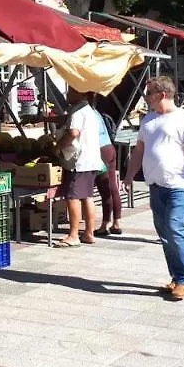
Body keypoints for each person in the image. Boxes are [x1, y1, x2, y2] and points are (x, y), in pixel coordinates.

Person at [121, 77, 184, 301]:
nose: (146, 98)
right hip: (155, 186)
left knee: (174, 227)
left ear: (162, 94)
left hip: (180, 185)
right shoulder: (148, 120)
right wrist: (129, 176)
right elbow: (138, 151)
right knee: (165, 233)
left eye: (149, 93)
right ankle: (176, 277)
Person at [54, 87, 103, 247]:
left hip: (78, 162)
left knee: (72, 196)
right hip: (91, 159)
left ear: (82, 93)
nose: (67, 95)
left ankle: (74, 234)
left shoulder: (77, 111)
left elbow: (73, 133)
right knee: (87, 196)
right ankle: (89, 232)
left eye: (71, 91)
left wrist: (59, 146)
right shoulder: (89, 110)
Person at [92, 99, 123, 237]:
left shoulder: (85, 113)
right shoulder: (96, 113)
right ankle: (117, 223)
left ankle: (104, 225)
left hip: (99, 151)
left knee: (104, 189)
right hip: (109, 147)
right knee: (113, 187)